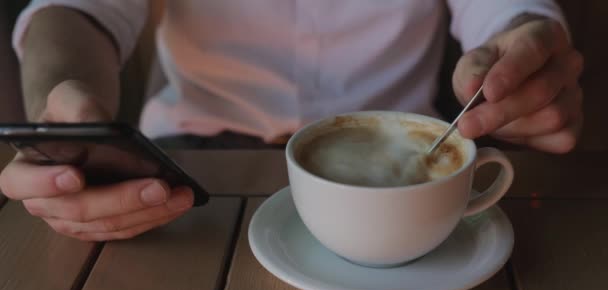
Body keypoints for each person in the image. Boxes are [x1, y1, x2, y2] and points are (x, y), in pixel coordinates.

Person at [0, 1, 583, 241]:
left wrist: (526, 52)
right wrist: (65, 113)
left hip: (413, 169)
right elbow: (74, 10)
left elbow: (506, 9)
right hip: (183, 171)